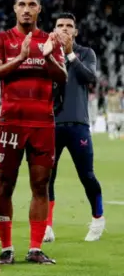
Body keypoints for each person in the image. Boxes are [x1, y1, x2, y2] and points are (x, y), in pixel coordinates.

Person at [0, 0, 67, 264]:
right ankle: (7, 247)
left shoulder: (50, 40)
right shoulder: (1, 39)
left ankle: (35, 248)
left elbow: (63, 76)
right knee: (5, 185)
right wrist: (20, 58)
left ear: (39, 9)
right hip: (11, 122)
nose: (26, 9)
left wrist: (46, 56)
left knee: (40, 185)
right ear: (14, 9)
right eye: (21, 4)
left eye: (31, 4)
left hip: (42, 124)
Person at [46, 13, 104, 242]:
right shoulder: (46, 51)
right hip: (52, 123)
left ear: (76, 31)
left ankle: (98, 219)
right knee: (47, 177)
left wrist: (70, 53)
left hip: (78, 123)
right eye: (60, 25)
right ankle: (47, 226)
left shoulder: (85, 53)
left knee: (86, 175)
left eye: (69, 26)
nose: (64, 29)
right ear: (54, 28)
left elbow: (89, 76)